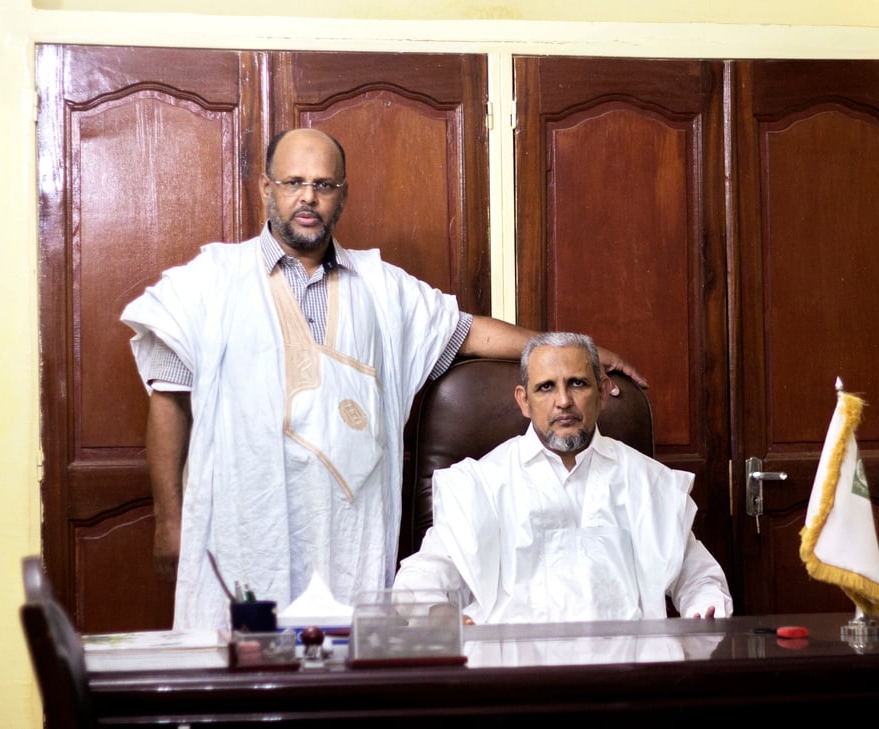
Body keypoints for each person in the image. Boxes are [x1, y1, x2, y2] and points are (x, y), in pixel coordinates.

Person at [121, 129, 645, 630]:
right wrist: (170, 519)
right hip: (240, 529)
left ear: (341, 196)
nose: (308, 197)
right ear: (266, 189)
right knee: (239, 684)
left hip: (346, 536)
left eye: (323, 185)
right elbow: (168, 399)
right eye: (293, 183)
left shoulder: (382, 289)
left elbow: (471, 334)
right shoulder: (209, 282)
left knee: (343, 689)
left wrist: (573, 349)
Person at [394, 332, 732, 623]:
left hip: (627, 679)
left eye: (577, 383)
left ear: (602, 392)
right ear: (524, 401)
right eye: (545, 388)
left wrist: (704, 614)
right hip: (515, 680)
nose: (563, 401)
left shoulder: (646, 480)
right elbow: (420, 581)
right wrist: (440, 617)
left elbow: (700, 579)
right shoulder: (481, 484)